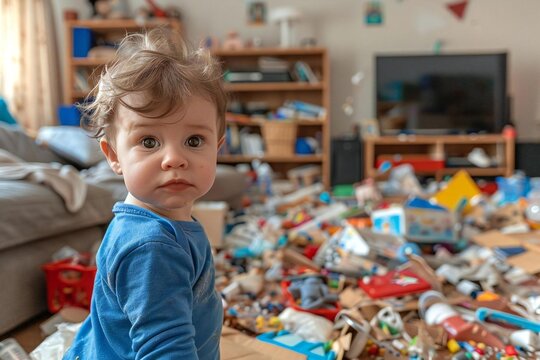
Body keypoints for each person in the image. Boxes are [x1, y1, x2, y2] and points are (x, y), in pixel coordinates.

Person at [64, 27, 227, 359]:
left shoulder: (163, 222)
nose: (174, 159)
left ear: (217, 148)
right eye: (149, 142)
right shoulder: (151, 247)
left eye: (194, 141)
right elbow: (165, 350)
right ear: (113, 156)